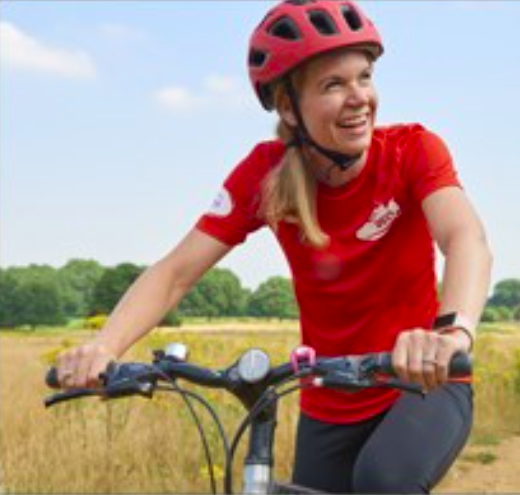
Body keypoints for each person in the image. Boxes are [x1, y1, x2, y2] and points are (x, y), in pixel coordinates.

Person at [56, 0, 493, 492]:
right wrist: (103, 348)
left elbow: (465, 238)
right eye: (334, 84)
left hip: (421, 380)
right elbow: (175, 271)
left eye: (364, 77)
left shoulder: (413, 151)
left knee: (382, 481)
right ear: (288, 106)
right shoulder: (264, 175)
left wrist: (451, 335)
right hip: (329, 398)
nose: (359, 98)